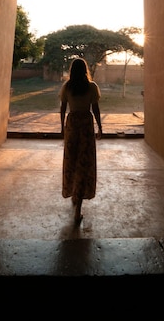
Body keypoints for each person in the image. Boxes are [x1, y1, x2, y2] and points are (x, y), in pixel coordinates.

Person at [60, 57, 103, 224]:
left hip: (72, 125)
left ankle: (73, 194)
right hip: (85, 125)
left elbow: (63, 108)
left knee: (71, 161)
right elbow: (96, 109)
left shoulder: (67, 87)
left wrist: (62, 128)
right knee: (84, 163)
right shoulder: (91, 87)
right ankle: (78, 208)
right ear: (85, 70)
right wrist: (100, 127)